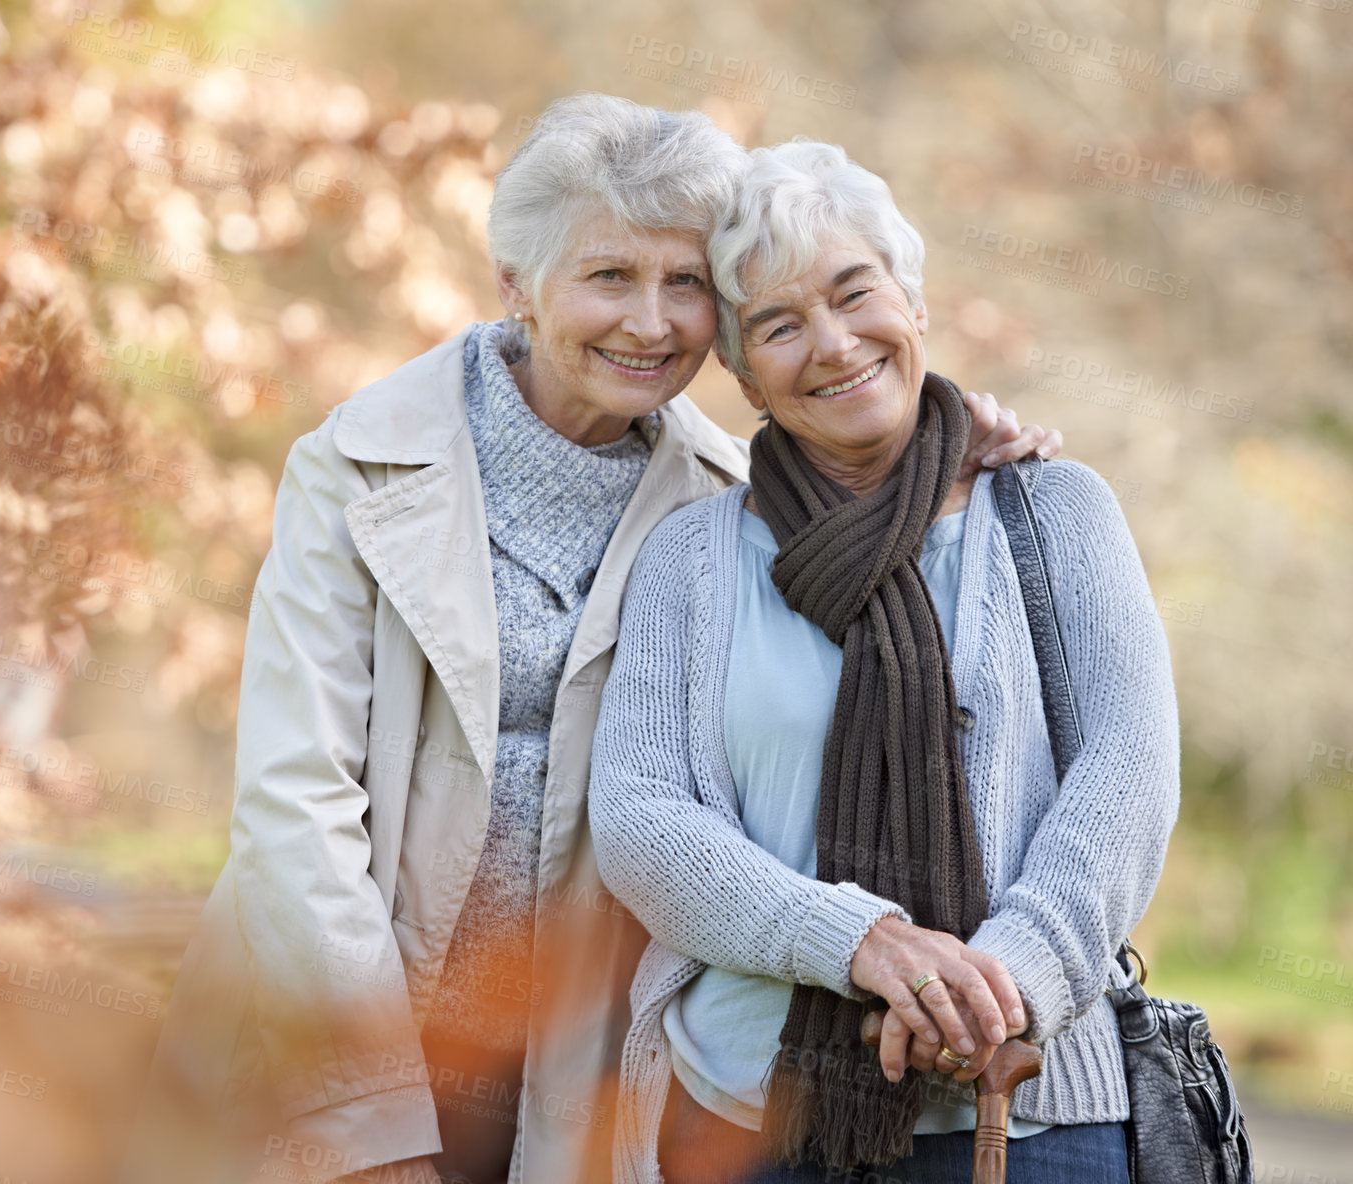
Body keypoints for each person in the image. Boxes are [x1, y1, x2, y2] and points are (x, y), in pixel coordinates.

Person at [122, 99, 1060, 1184]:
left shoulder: (725, 504)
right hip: (325, 1039)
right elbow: (297, 806)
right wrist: (368, 1122)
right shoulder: (358, 465)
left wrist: (952, 439)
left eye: (685, 286)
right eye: (607, 277)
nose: (650, 324)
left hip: (564, 1067)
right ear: (516, 284)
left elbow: (873, 503)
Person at [588, 139, 1178, 1184]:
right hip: (746, 1117)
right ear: (739, 370)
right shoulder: (690, 556)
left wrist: (996, 987)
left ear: (909, 300)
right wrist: (861, 942)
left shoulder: (1052, 512)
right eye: (777, 324)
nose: (831, 342)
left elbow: (1125, 777)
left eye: (852, 293)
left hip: (1028, 1107)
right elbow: (640, 817)